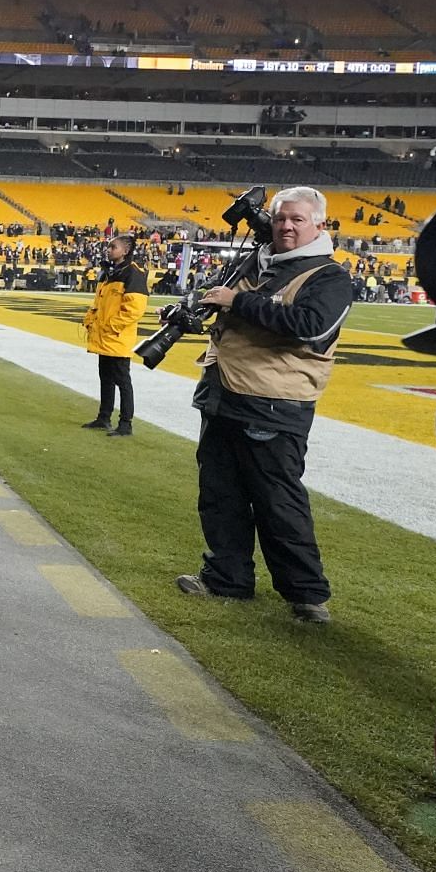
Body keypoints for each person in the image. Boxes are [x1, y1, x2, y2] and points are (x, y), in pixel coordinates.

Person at [172, 187, 354, 624]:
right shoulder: (257, 259)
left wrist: (238, 301)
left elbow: (310, 327)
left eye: (298, 220)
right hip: (225, 393)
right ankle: (226, 577)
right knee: (220, 495)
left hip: (276, 404)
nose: (287, 226)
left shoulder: (330, 276)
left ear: (319, 225)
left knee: (279, 501)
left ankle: (307, 596)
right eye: (281, 218)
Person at [81, 235, 147, 437]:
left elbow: (135, 309)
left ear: (125, 250)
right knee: (106, 379)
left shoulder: (133, 272)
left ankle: (126, 424)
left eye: (113, 246)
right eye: (109, 246)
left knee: (123, 382)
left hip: (117, 337)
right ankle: (104, 417)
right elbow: (98, 303)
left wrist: (110, 326)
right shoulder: (109, 272)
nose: (108, 250)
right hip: (105, 336)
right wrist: (90, 320)